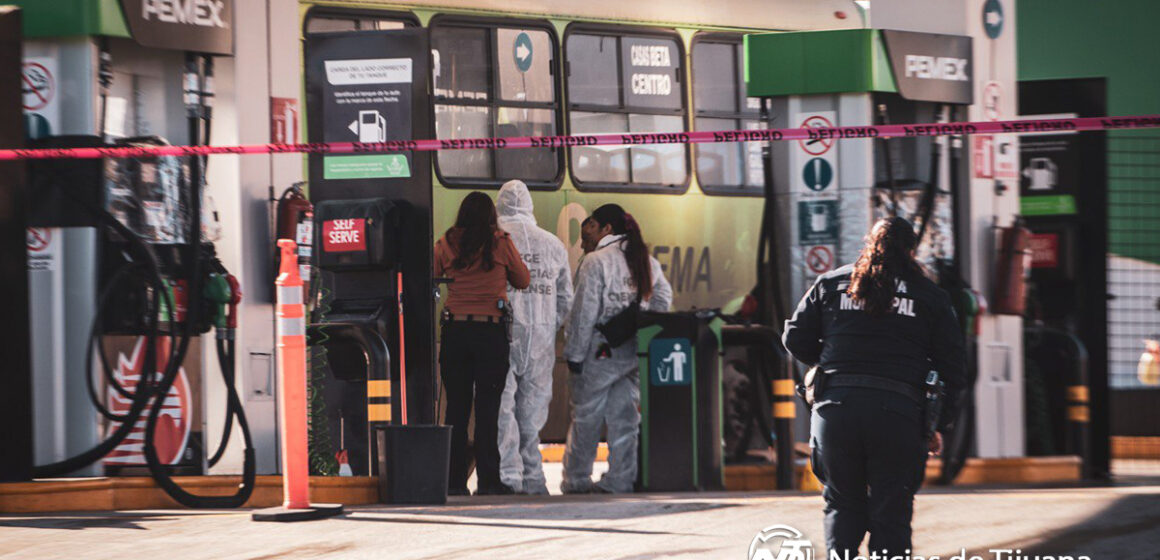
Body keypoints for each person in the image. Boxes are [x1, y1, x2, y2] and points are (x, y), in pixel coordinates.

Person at [782, 217, 966, 557]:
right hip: (899, 414)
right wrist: (938, 424)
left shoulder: (831, 283)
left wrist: (826, 363)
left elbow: (793, 337)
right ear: (911, 251)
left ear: (869, 243)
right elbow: (954, 368)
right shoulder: (930, 296)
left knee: (841, 503)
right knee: (892, 510)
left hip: (835, 411)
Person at [561, 204, 673, 494]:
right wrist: (644, 330)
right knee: (625, 420)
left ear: (606, 229)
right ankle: (620, 480)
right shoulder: (645, 260)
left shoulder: (596, 262)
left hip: (599, 352)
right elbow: (663, 298)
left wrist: (573, 355)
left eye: (590, 226)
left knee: (586, 418)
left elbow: (584, 313)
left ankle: (577, 481)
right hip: (633, 352)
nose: (585, 232)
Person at [435, 192, 531, 496]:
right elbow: (523, 280)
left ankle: (453, 481)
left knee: (457, 410)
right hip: (490, 335)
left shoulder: (447, 242)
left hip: (456, 333)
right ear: (492, 215)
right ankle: (489, 481)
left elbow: (431, 275)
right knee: (488, 410)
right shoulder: (500, 242)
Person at [494, 180, 574, 495]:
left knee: (503, 407)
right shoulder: (553, 244)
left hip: (503, 333)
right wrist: (548, 325)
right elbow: (566, 299)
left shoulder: (496, 239)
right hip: (540, 339)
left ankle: (508, 475)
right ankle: (533, 478)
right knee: (533, 410)